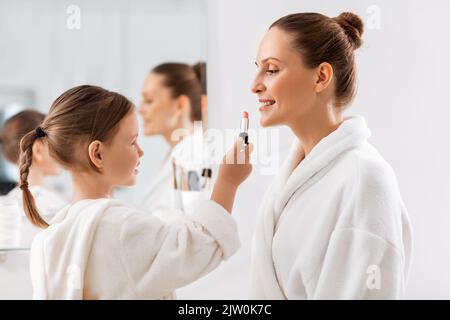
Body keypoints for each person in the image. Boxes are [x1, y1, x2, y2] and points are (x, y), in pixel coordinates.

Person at [20, 85, 252, 299]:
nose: (140, 152)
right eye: (132, 142)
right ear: (98, 154)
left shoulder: (48, 240)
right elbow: (199, 247)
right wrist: (228, 182)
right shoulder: (121, 228)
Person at [249, 12, 412, 299]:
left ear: (321, 76)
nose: (255, 84)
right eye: (258, 69)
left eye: (271, 69)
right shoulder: (293, 179)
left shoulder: (365, 179)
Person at [138, 62, 212, 218]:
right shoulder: (177, 155)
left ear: (180, 105)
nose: (140, 109)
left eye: (149, 100)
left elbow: (197, 224)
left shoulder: (194, 158)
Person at [0, 110, 66, 248]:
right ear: (39, 150)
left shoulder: (5, 207)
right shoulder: (61, 209)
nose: (62, 149)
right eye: (57, 141)